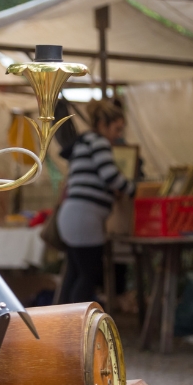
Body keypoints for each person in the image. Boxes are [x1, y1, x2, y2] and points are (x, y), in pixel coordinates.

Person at [56, 98, 134, 304]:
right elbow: (111, 176)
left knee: (75, 273)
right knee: (89, 275)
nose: (118, 136)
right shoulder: (98, 143)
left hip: (72, 216)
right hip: (84, 219)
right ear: (102, 125)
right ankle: (75, 324)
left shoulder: (83, 143)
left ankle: (63, 321)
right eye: (116, 129)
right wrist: (134, 189)